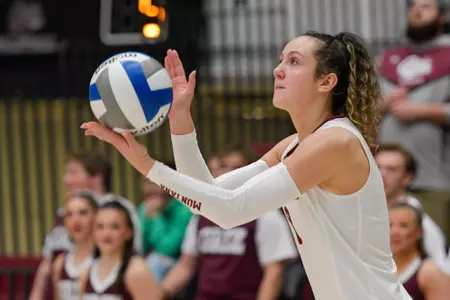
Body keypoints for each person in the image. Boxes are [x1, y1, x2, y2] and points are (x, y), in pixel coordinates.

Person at [81, 31, 412, 299]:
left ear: (327, 82)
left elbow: (229, 210)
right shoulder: (294, 145)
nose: (277, 69)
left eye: (294, 62)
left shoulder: (335, 142)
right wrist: (180, 119)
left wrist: (147, 164)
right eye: (280, 59)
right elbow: (207, 199)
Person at [160, 150, 298, 299]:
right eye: (223, 166)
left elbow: (274, 272)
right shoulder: (201, 214)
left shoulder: (266, 213)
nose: (229, 173)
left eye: (237, 168)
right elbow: (186, 265)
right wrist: (160, 293)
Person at [377, 0, 450, 240]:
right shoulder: (387, 59)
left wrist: (422, 111)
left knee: (432, 253)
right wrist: (384, 104)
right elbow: (360, 111)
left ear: (443, 18)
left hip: (435, 181)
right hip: (385, 181)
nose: (417, 11)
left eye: (426, 6)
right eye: (413, 7)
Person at [30, 151, 142, 300]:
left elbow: (134, 253)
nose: (65, 179)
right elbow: (48, 259)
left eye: (73, 172)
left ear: (97, 178)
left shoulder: (120, 208)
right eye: (70, 215)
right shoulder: (63, 212)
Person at [375, 143, 447, 266]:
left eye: (391, 169)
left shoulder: (419, 220)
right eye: (377, 167)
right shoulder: (361, 209)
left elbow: (440, 265)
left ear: (408, 177)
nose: (382, 175)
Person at [79, 200, 161, 300]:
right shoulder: (85, 273)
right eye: (100, 227)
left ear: (129, 232)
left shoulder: (137, 271)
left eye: (115, 227)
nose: (106, 233)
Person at [389, 202, 450, 299]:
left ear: (419, 232)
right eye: (390, 225)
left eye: (403, 225)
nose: (395, 232)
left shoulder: (430, 273)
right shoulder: (380, 266)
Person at [138, 178, 192, 283]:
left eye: (155, 182)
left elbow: (167, 249)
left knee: (155, 262)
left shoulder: (184, 209)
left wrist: (156, 216)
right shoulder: (145, 207)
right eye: (147, 182)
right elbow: (139, 246)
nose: (150, 188)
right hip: (153, 258)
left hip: (179, 262)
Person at [51, 192, 98, 300]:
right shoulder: (60, 263)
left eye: (83, 213)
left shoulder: (106, 260)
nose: (76, 220)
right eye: (69, 214)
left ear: (96, 216)